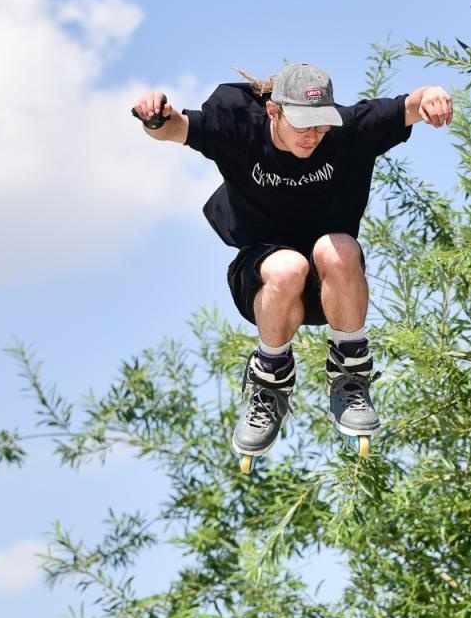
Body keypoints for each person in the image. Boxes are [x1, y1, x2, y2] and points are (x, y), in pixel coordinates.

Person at [130, 62, 453, 461]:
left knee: (339, 248)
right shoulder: (238, 128)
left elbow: (410, 105)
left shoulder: (347, 131)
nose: (313, 137)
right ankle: (269, 383)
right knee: (288, 267)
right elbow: (175, 127)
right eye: (302, 125)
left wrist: (433, 93)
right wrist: (154, 115)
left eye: (320, 125)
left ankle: (351, 376)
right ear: (273, 112)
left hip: (331, 285)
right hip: (264, 279)